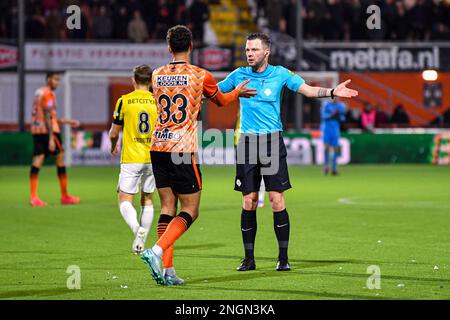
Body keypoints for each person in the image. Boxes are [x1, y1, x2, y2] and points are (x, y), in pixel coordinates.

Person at [218, 32, 358, 272]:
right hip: (248, 143)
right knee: (249, 200)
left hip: (272, 142)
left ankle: (283, 258)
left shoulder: (281, 74)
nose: (249, 54)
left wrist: (333, 92)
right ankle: (248, 259)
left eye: (254, 50)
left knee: (276, 199)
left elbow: (308, 91)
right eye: (247, 50)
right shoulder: (238, 75)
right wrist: (234, 93)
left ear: (266, 52)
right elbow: (215, 95)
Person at [140, 25, 256, 286]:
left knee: (168, 206)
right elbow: (222, 101)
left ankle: (167, 271)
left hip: (158, 146)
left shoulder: (156, 75)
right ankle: (156, 252)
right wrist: (238, 92)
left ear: (169, 48)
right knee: (191, 209)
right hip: (182, 149)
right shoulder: (200, 75)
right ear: (191, 46)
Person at [108, 65, 158, 257]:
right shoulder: (157, 101)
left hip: (131, 158)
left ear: (133, 80)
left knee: (124, 199)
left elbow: (114, 132)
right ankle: (141, 242)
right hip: (153, 158)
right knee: (147, 200)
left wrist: (113, 145)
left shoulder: (124, 101)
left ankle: (137, 229)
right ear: (151, 82)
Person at [30, 72, 81, 207]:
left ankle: (33, 197)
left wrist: (67, 121)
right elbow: (48, 116)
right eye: (54, 79)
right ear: (48, 80)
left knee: (38, 159)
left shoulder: (38, 92)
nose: (57, 82)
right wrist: (52, 137)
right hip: (49, 131)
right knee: (60, 159)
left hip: (37, 130)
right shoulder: (49, 95)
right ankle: (65, 196)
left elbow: (46, 115)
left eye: (58, 80)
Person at [235, 106, 265, 208]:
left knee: (262, 172)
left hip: (257, 140)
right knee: (246, 174)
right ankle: (249, 198)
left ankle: (260, 197)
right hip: (241, 142)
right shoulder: (242, 108)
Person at [320, 99, 346, 176]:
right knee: (326, 147)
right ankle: (326, 166)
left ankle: (334, 169)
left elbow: (343, 119)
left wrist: (338, 115)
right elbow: (323, 116)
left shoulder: (341, 105)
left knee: (335, 148)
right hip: (326, 128)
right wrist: (332, 115)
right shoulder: (326, 104)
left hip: (335, 129)